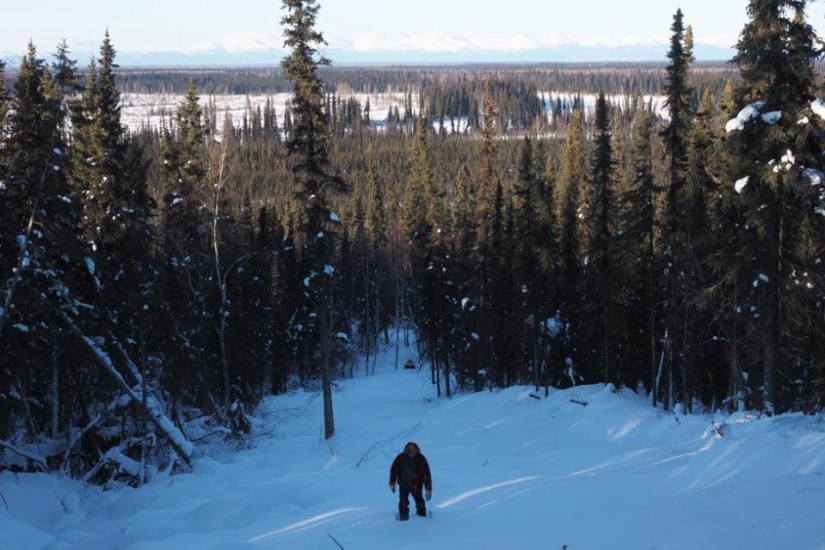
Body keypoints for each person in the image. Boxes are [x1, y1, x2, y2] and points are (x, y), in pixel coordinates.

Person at [389, 441, 432, 520]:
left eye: (413, 452)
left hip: (417, 485)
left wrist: (428, 489)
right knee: (403, 503)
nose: (411, 454)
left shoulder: (421, 458)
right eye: (409, 452)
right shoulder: (401, 457)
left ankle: (422, 518)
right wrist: (392, 483)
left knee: (420, 503)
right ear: (406, 451)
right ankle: (403, 519)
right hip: (403, 485)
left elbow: (427, 474)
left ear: (416, 451)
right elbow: (393, 469)